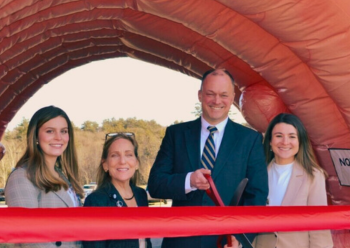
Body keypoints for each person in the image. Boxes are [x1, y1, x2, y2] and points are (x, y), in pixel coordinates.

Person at [147, 68, 268, 248]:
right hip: (181, 242)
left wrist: (240, 239)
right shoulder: (176, 134)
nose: (217, 101)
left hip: (226, 243)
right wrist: (189, 181)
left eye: (223, 95)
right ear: (200, 95)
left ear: (232, 97)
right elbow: (155, 184)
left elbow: (257, 197)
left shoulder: (250, 140)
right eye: (210, 94)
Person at [5, 105, 84, 248]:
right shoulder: (21, 177)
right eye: (50, 131)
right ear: (35, 136)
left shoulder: (62, 176)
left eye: (64, 131)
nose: (58, 137)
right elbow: (30, 238)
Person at [253, 113, 333, 248]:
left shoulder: (313, 175)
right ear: (270, 141)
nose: (285, 142)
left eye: (292, 136)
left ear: (300, 141)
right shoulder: (257, 173)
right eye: (279, 136)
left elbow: (319, 224)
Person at [83, 132, 152, 248]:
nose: (122, 161)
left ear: (137, 163)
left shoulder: (141, 195)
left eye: (128, 154)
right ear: (105, 164)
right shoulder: (96, 201)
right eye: (115, 155)